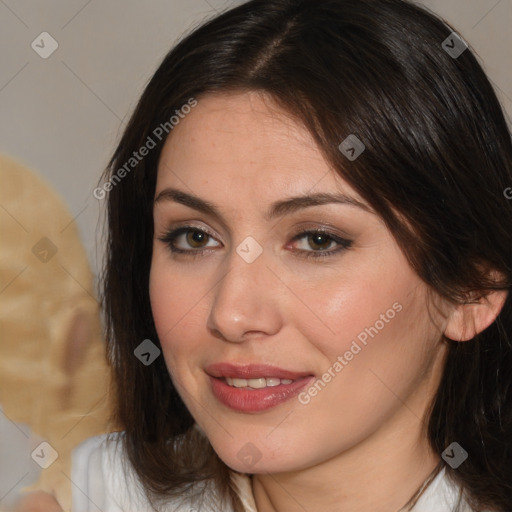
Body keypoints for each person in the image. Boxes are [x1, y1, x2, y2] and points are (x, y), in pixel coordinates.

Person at [69, 0, 512, 511]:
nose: (231, 314)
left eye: (317, 240)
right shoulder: (82, 492)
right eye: (194, 237)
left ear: (472, 288)